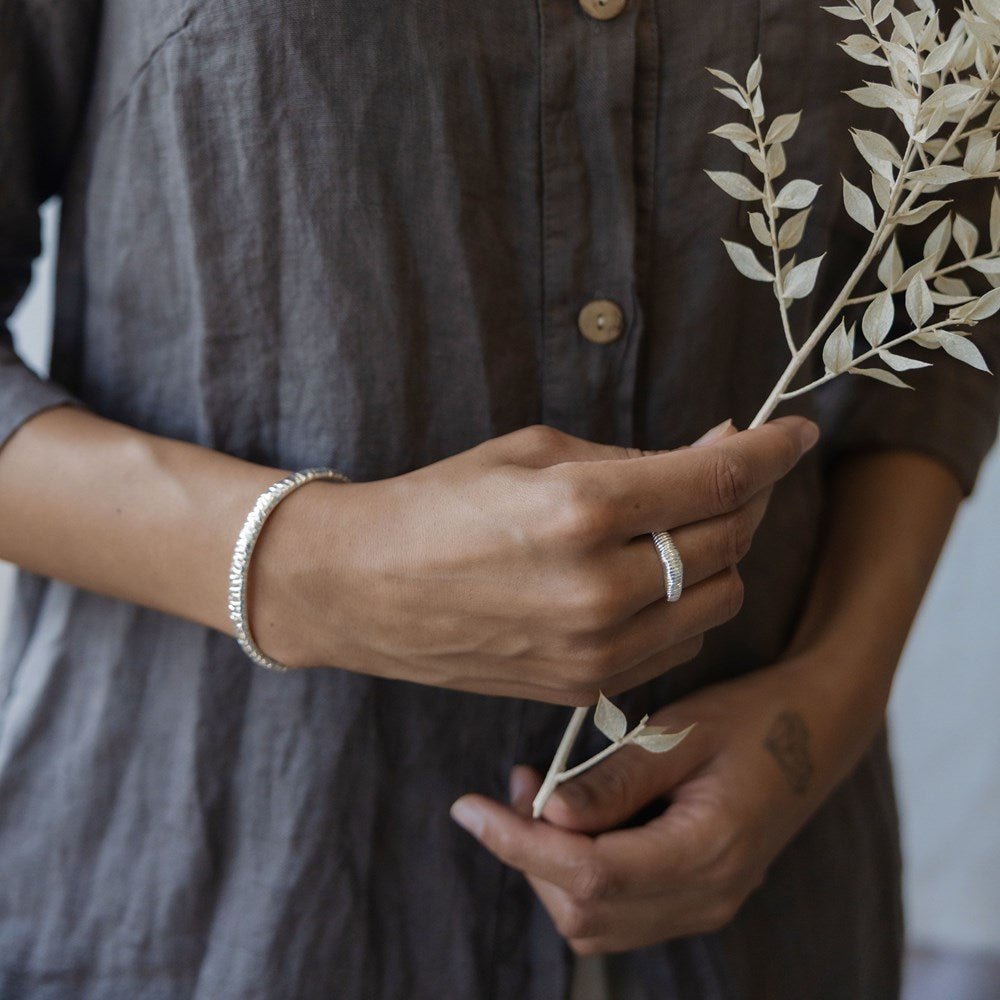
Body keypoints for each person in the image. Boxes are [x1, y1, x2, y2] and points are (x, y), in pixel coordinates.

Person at [0, 2, 997, 998]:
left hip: (765, 906)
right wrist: (308, 569)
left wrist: (828, 699)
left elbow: (954, 266)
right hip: (218, 893)